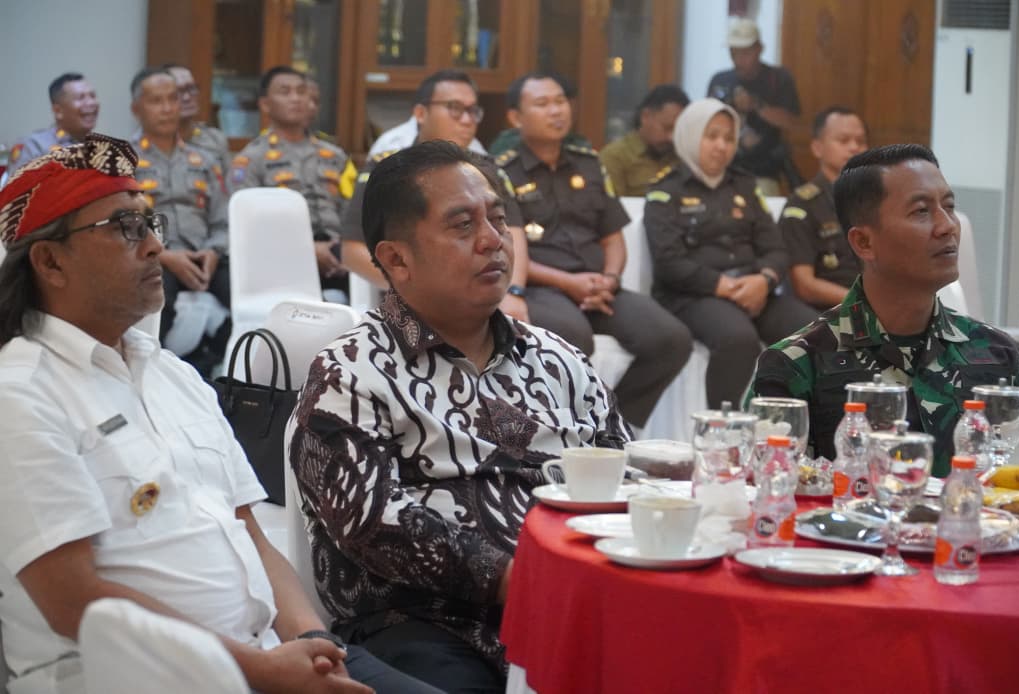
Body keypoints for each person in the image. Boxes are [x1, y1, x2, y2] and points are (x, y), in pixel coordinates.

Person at [0, 134, 444, 694]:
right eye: (125, 228)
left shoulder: (174, 376)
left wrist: (313, 643)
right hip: (135, 680)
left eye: (151, 224)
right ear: (50, 261)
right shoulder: (21, 397)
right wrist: (264, 672)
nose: (154, 247)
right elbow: (73, 602)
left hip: (266, 657)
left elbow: (249, 531)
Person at [288, 140, 629, 692]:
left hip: (576, 607)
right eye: (463, 225)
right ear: (396, 259)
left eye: (497, 219)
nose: (493, 240)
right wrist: (521, 578)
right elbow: (374, 523)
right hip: (428, 626)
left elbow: (623, 468)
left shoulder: (559, 359)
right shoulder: (351, 372)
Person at [747, 144, 1019, 476]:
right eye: (921, 211)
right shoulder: (796, 366)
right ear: (864, 243)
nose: (947, 226)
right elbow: (767, 492)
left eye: (949, 206)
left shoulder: (1000, 357)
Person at [497, 72, 692, 431]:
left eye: (560, 101)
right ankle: (564, 431)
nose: (556, 111)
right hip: (542, 286)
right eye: (542, 104)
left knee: (671, 339)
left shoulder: (589, 163)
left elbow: (612, 238)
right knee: (574, 337)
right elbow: (512, 247)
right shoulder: (504, 171)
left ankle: (614, 426)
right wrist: (567, 283)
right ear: (516, 117)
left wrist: (611, 278)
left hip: (598, 288)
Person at [643, 98, 817, 408]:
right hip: (692, 295)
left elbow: (776, 248)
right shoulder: (666, 191)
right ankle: (723, 427)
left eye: (728, 138)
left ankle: (788, 420)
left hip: (754, 290)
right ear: (690, 135)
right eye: (711, 136)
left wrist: (764, 280)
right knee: (738, 339)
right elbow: (669, 262)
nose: (721, 146)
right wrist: (723, 286)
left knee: (812, 331)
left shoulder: (745, 186)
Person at [342, 70, 530, 321]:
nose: (467, 120)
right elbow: (352, 252)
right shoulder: (388, 171)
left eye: (473, 111)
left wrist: (513, 292)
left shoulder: (487, 170)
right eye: (455, 109)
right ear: (421, 114)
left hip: (487, 295)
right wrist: (427, 292)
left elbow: (512, 233)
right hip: (415, 300)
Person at [129, 67, 230, 374]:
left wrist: (213, 252)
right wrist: (166, 256)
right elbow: (124, 223)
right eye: (156, 101)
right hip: (154, 256)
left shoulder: (205, 161)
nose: (167, 108)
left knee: (245, 295)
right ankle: (151, 372)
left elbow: (224, 220)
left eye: (172, 99)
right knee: (156, 295)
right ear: (136, 109)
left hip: (205, 256)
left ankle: (213, 366)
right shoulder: (124, 163)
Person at [229, 66, 353, 294]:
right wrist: (307, 250)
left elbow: (352, 211)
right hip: (281, 260)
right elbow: (248, 228)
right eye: (285, 92)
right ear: (265, 104)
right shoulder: (251, 159)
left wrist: (347, 247)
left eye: (301, 91)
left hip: (339, 255)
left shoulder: (335, 156)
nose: (295, 98)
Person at [781, 106, 868, 310]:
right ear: (817, 148)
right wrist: (863, 301)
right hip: (833, 309)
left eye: (861, 141)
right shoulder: (802, 205)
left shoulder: (877, 201)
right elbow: (804, 285)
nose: (854, 147)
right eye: (844, 140)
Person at [707, 17, 800, 195]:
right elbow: (706, 123)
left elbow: (791, 122)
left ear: (759, 49)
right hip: (723, 167)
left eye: (745, 53)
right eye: (733, 53)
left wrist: (756, 105)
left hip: (763, 170)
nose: (738, 60)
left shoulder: (778, 79)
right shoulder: (720, 80)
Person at [599, 84, 690, 197]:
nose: (671, 137)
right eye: (667, 128)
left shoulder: (682, 156)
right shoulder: (614, 157)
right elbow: (611, 205)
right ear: (645, 116)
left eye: (677, 130)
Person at [7, 73, 99, 175]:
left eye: (93, 96)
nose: (91, 103)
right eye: (80, 98)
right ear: (58, 111)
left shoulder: (101, 148)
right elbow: (18, 185)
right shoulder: (33, 146)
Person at [162, 63, 232, 174]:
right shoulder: (150, 142)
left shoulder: (216, 140)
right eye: (179, 91)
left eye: (191, 88)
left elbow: (228, 183)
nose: (187, 97)